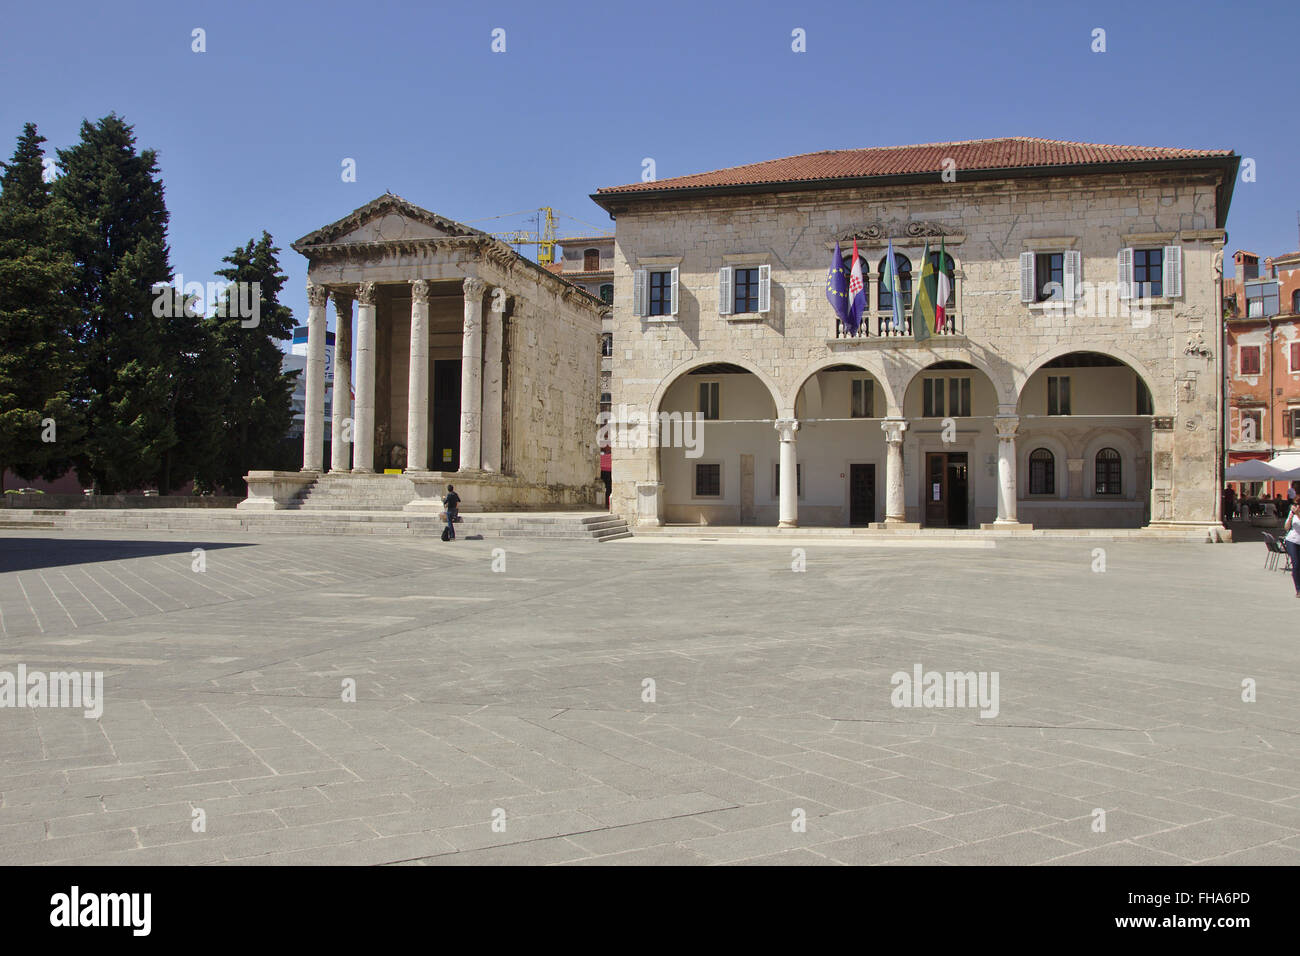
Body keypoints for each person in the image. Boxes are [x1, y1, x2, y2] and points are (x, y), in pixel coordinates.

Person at [1285, 501, 1300, 598]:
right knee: (1296, 564)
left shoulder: (1297, 514)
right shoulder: (1293, 514)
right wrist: (1290, 518)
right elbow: (1286, 528)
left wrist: (1298, 513)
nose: (1296, 506)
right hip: (1292, 541)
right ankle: (1298, 589)